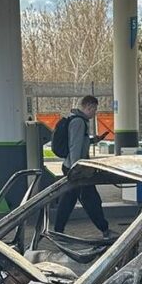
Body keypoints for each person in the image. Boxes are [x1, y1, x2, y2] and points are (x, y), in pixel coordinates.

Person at [54, 95, 114, 238]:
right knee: (90, 200)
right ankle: (105, 230)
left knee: (69, 200)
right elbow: (74, 146)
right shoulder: (79, 122)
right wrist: (77, 168)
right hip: (77, 169)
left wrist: (94, 140)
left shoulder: (75, 119)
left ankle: (58, 231)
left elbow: (80, 141)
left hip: (73, 167)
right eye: (94, 109)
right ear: (89, 107)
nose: (95, 113)